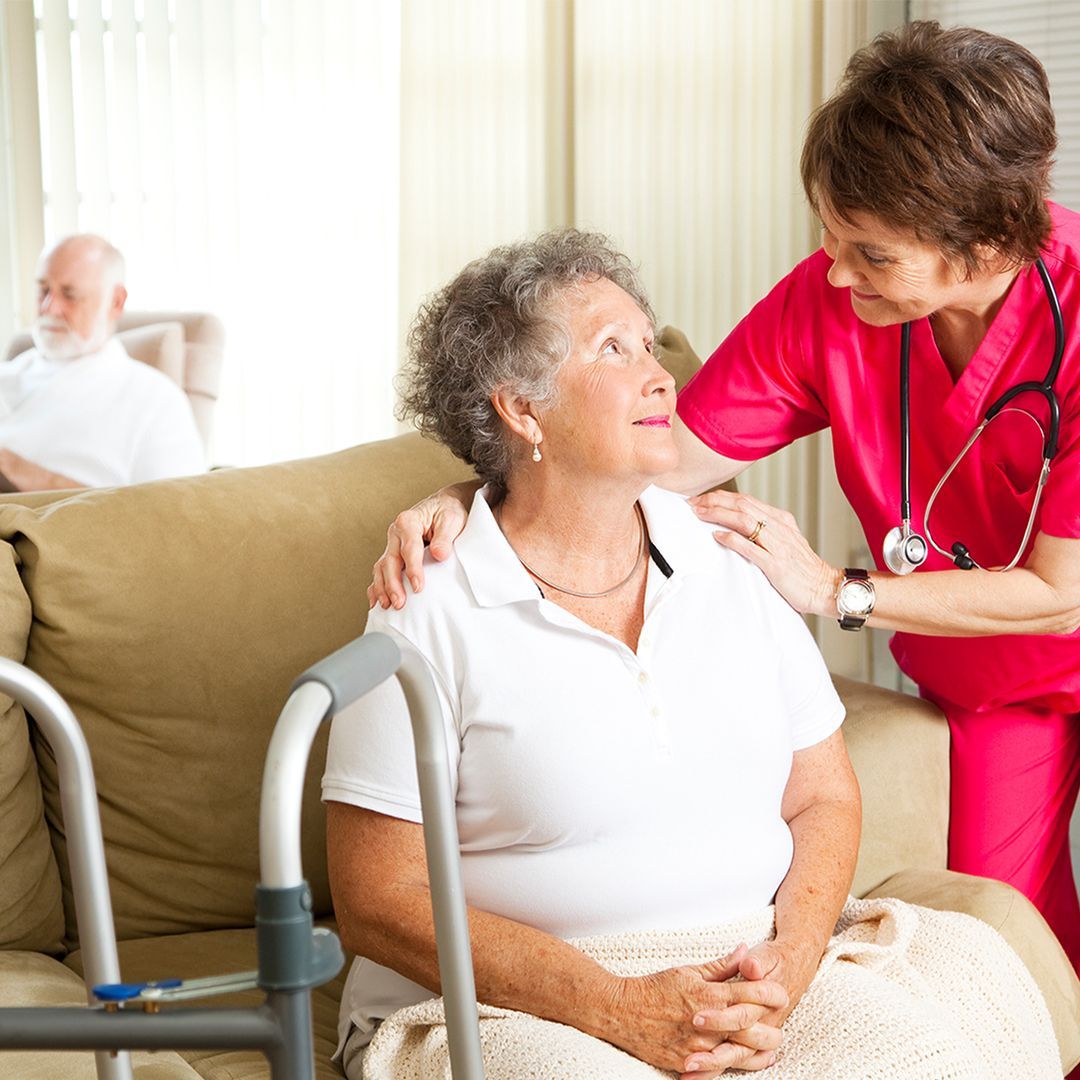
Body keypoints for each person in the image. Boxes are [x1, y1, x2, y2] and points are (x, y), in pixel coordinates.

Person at [369, 22, 1080, 976]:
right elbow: (648, 456)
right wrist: (482, 486)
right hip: (997, 673)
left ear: (989, 238)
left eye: (871, 253)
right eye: (829, 235)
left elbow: (1062, 589)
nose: (834, 270)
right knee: (1014, 948)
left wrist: (837, 591)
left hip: (1045, 607)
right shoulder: (834, 300)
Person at [325, 230, 1058, 1080]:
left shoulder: (729, 555)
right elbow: (379, 904)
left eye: (649, 340)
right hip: (515, 1005)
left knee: (924, 1054)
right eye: (614, 349)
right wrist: (618, 1008)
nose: (662, 373)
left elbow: (823, 794)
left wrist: (792, 959)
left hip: (746, 965)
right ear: (523, 411)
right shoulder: (428, 602)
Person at [0, 234, 205, 490]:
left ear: (116, 301)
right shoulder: (8, 373)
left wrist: (26, 474)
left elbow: (173, 515)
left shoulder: (156, 401)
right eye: (43, 290)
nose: (49, 308)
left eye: (70, 294)